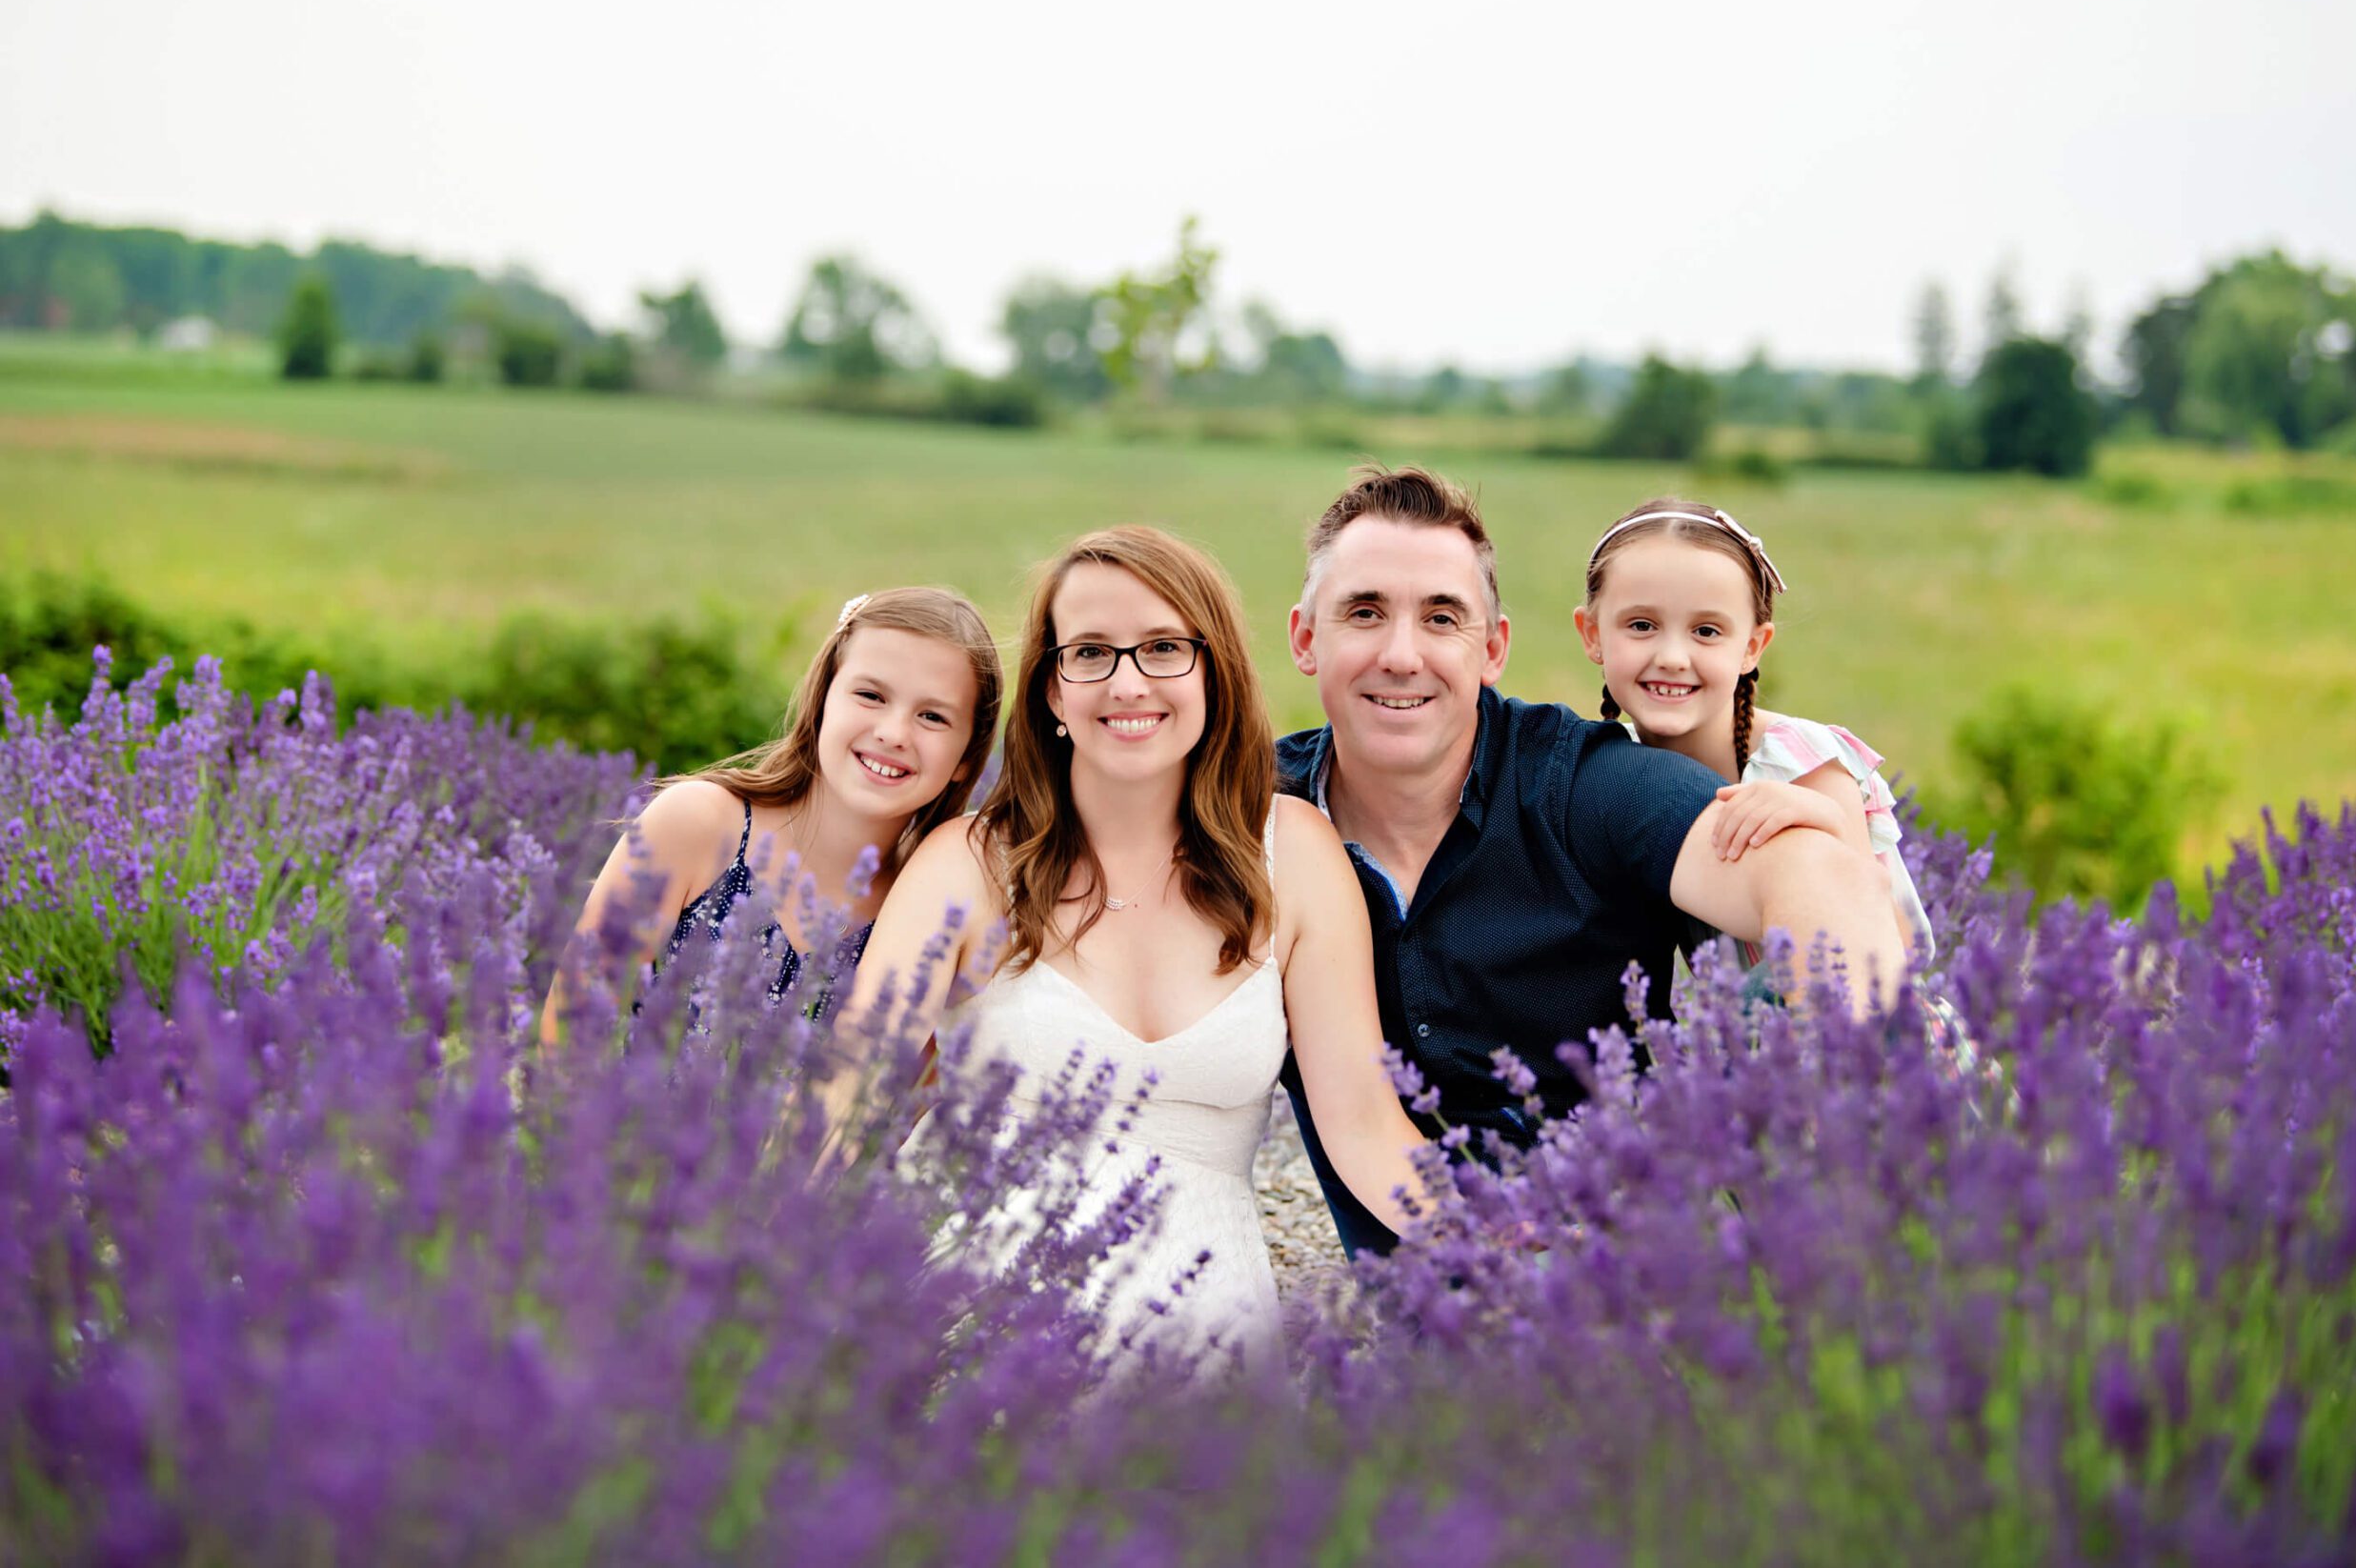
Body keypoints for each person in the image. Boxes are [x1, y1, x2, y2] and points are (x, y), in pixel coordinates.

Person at [1276, 465, 1913, 1258]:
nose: (1402, 654)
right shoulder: (1251, 819)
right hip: (1434, 1314)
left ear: (1494, 647)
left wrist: (1845, 1109)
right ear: (1306, 638)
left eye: (1443, 617)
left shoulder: (1582, 783)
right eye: (1365, 612)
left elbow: (1811, 878)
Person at [844, 526, 1432, 1374]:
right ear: (1049, 688)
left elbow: (1367, 1126)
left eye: (1162, 648)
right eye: (1089, 652)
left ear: (1213, 672)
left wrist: (1512, 1250)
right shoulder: (969, 862)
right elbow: (847, 1093)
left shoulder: (1296, 855)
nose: (1127, 681)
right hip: (962, 1337)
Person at [539, 587, 1002, 1046]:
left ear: (966, 755)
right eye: (870, 695)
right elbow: (570, 1030)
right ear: (822, 698)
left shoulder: (929, 904)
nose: (893, 733)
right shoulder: (698, 825)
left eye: (933, 717)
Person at [1573, 496, 1932, 968]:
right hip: (1747, 1039)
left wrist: (1824, 818)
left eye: (1706, 631)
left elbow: (1888, 945)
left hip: (1867, 1033)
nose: (1673, 657)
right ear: (1593, 633)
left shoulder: (1801, 761)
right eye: (1642, 625)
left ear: (1752, 647)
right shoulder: (1615, 769)